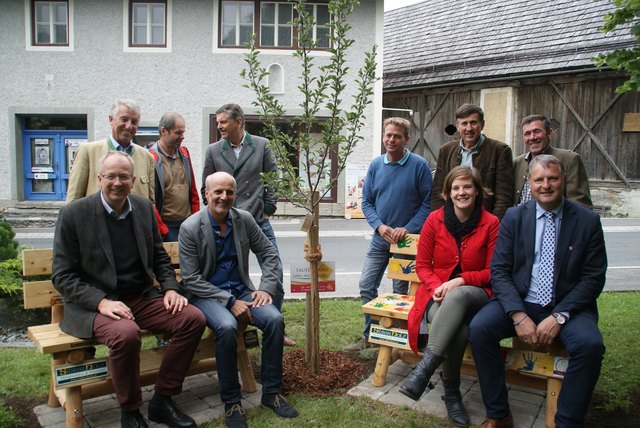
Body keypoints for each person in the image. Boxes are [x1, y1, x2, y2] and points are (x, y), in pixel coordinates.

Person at [52, 151, 206, 428]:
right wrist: (101, 302)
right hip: (94, 305)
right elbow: (62, 276)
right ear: (100, 179)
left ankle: (162, 399)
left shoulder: (143, 208)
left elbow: (159, 256)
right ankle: (130, 411)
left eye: (124, 176)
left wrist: (170, 288)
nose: (117, 182)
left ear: (133, 180)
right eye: (110, 176)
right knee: (127, 334)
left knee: (192, 318)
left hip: (140, 297)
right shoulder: (74, 214)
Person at [469, 155, 607, 428]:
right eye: (539, 180)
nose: (546, 185)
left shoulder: (587, 221)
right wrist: (518, 314)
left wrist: (559, 316)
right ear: (529, 185)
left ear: (563, 180)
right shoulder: (514, 216)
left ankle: (567, 421)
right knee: (480, 329)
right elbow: (500, 270)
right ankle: (498, 414)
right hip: (521, 301)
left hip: (567, 306)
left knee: (590, 346)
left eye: (552, 178)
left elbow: (593, 278)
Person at [180, 171, 299, 428]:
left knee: (275, 320)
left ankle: (271, 393)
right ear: (206, 194)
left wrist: (266, 288)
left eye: (229, 192)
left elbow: (269, 252)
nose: (224, 197)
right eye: (218, 192)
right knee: (226, 326)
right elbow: (191, 280)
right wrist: (228, 301)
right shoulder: (190, 227)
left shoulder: (243, 219)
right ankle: (232, 402)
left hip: (243, 291)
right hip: (206, 294)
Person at [399, 166, 500, 427]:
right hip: (437, 295)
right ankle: (452, 392)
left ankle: (424, 370)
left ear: (477, 191)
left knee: (461, 293)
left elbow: (492, 271)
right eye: (456, 188)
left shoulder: (491, 223)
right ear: (447, 192)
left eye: (467, 187)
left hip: (476, 294)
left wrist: (459, 280)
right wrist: (438, 286)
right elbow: (422, 266)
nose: (461, 192)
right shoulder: (434, 220)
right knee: (459, 330)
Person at [201, 103, 294, 346]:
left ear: (238, 122)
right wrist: (216, 214)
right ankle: (225, 319)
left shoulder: (261, 145)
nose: (219, 126)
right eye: (218, 122)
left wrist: (268, 209)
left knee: (276, 273)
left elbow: (272, 178)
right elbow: (205, 188)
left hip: (257, 221)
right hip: (225, 223)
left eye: (223, 122)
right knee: (223, 273)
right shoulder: (213, 151)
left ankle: (275, 327)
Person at [346, 117, 433, 351]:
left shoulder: (419, 165)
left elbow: (428, 203)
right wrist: (379, 226)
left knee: (400, 293)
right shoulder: (376, 165)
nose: (391, 139)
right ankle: (372, 336)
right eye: (388, 135)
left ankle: (399, 340)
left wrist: (408, 228)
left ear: (406, 139)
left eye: (397, 136)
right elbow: (366, 202)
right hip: (380, 238)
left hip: (407, 242)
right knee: (366, 285)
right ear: (383, 137)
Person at [431, 104, 513, 219]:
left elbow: (503, 197)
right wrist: (438, 222)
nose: (469, 128)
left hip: (485, 222)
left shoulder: (499, 150)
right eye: (464, 123)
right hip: (452, 221)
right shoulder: (446, 150)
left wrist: (494, 227)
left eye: (473, 123)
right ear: (458, 126)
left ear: (482, 124)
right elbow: (438, 192)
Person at [66, 99, 155, 204]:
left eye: (134, 122)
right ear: (111, 120)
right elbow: (73, 201)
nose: (129, 126)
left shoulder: (147, 157)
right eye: (124, 119)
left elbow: (151, 203)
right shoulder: (88, 152)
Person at [513, 114, 592, 208]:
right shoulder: (517, 163)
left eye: (537, 131)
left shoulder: (569, 159)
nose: (532, 137)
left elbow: (580, 205)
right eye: (527, 134)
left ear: (549, 133)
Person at [148, 112, 199, 241]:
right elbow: (150, 200)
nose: (182, 137)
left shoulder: (184, 154)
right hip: (167, 227)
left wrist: (196, 219)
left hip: (188, 224)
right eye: (178, 133)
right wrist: (162, 230)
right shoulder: (151, 159)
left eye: (183, 132)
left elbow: (193, 191)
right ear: (163, 131)